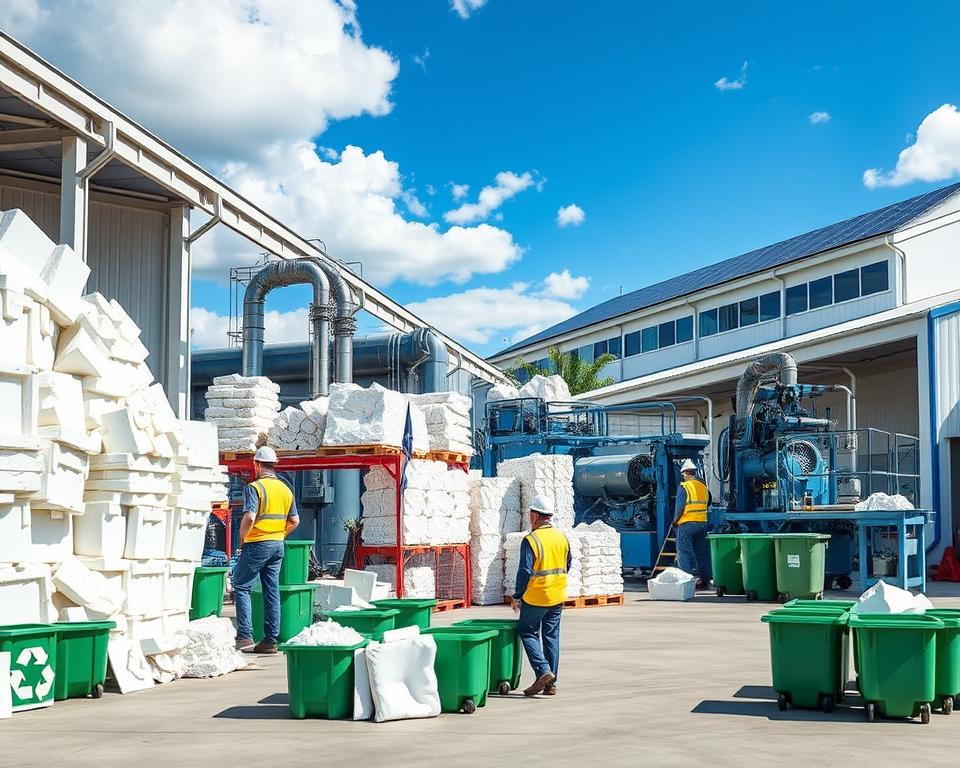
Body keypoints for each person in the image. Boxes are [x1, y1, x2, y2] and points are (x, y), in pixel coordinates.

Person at [233, 446, 299, 654]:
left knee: (241, 585)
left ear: (258, 465)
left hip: (257, 543)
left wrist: (242, 539)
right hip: (277, 545)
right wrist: (280, 535)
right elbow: (295, 520)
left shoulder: (255, 488)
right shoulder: (286, 490)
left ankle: (244, 636)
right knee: (271, 590)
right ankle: (270, 640)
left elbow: (250, 516)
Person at [510, 494, 571, 697]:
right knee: (551, 637)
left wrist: (517, 595)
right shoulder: (561, 537)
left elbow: (525, 571)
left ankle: (543, 670)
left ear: (535, 515)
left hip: (537, 596)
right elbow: (568, 563)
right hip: (558, 595)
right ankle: (551, 684)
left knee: (527, 631)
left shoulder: (531, 540)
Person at [674, 458, 712, 588]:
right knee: (701, 552)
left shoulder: (684, 487)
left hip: (687, 523)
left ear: (687, 473)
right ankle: (705, 580)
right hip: (702, 523)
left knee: (683, 551)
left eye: (683, 474)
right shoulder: (703, 487)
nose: (683, 477)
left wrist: (675, 521)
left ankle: (686, 582)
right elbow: (708, 502)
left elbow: (680, 507)